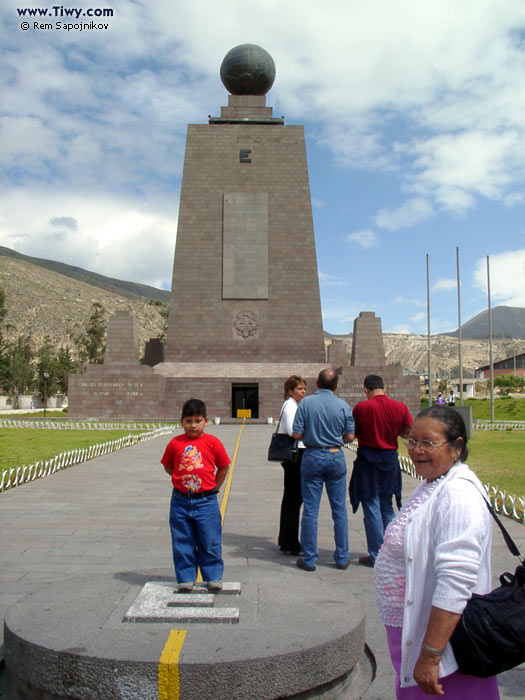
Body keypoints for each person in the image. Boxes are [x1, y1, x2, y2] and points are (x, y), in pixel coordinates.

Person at [374, 406, 499, 699]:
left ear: (457, 447)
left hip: (446, 645)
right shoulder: (434, 483)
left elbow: (455, 581)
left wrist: (431, 657)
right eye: (412, 441)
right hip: (415, 629)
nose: (417, 450)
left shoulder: (458, 495)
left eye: (428, 443)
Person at [161, 398, 231, 593]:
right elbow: (168, 465)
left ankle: (213, 576)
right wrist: (181, 480)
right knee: (182, 540)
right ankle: (186, 578)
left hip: (206, 501)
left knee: (209, 540)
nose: (193, 425)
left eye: (198, 421)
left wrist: (214, 488)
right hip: (181, 500)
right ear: (181, 421)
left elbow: (224, 466)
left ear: (206, 421)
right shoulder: (175, 443)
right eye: (189, 421)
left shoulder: (212, 442)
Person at [292, 368, 355, 571]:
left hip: (312, 455)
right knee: (339, 509)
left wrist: (313, 434)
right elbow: (351, 436)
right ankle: (342, 556)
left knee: (310, 509)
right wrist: (337, 439)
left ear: (317, 384)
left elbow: (296, 434)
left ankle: (309, 558)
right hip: (336, 455)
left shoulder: (306, 403)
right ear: (336, 386)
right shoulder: (343, 405)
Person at [349, 374, 413, 567]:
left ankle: (377, 554)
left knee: (371, 506)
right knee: (387, 505)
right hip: (390, 460)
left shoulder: (362, 408)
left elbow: (355, 433)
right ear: (384, 388)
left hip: (368, 460)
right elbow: (408, 431)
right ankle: (394, 552)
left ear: (365, 390)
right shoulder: (400, 407)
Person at [277, 375, 307, 555]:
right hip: (296, 456)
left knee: (291, 499)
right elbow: (293, 431)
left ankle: (286, 539)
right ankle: (291, 542)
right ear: (290, 391)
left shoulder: (296, 405)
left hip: (298, 455)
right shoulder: (290, 406)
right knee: (293, 500)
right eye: (299, 389)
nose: (303, 392)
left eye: (304, 388)